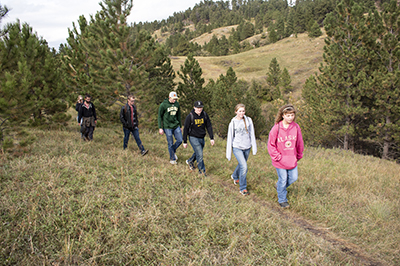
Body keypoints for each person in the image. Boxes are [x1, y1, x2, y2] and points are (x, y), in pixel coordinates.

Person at [267, 104, 304, 208]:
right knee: (283, 179)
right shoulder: (276, 128)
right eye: (288, 115)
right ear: (283, 115)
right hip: (280, 160)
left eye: (292, 115)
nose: (290, 117)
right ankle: (282, 200)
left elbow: (299, 142)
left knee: (293, 178)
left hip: (292, 159)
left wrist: (299, 154)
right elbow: (271, 144)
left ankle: (279, 187)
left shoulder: (296, 127)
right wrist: (277, 156)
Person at [226, 103, 257, 196]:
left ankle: (235, 176)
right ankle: (243, 188)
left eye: (243, 111)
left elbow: (252, 133)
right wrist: (229, 153)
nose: (242, 113)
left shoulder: (248, 120)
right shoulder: (233, 122)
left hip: (247, 147)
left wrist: (254, 147)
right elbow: (230, 137)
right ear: (236, 112)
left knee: (241, 164)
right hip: (237, 147)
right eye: (240, 111)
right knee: (244, 166)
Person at [183, 100, 215, 176]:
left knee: (198, 152)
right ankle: (202, 172)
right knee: (200, 154)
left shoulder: (204, 115)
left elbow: (209, 126)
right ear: (194, 108)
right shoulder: (190, 116)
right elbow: (185, 129)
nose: (199, 109)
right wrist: (185, 141)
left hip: (201, 137)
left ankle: (190, 161)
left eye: (201, 108)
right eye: (198, 108)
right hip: (193, 137)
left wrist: (211, 138)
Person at [158, 91, 182, 164]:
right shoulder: (163, 105)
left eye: (175, 99)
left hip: (175, 125)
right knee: (170, 143)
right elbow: (159, 116)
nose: (174, 100)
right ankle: (172, 159)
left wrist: (180, 126)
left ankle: (172, 151)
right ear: (169, 97)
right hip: (167, 126)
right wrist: (160, 127)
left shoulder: (177, 104)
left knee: (180, 140)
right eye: (173, 99)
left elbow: (178, 115)